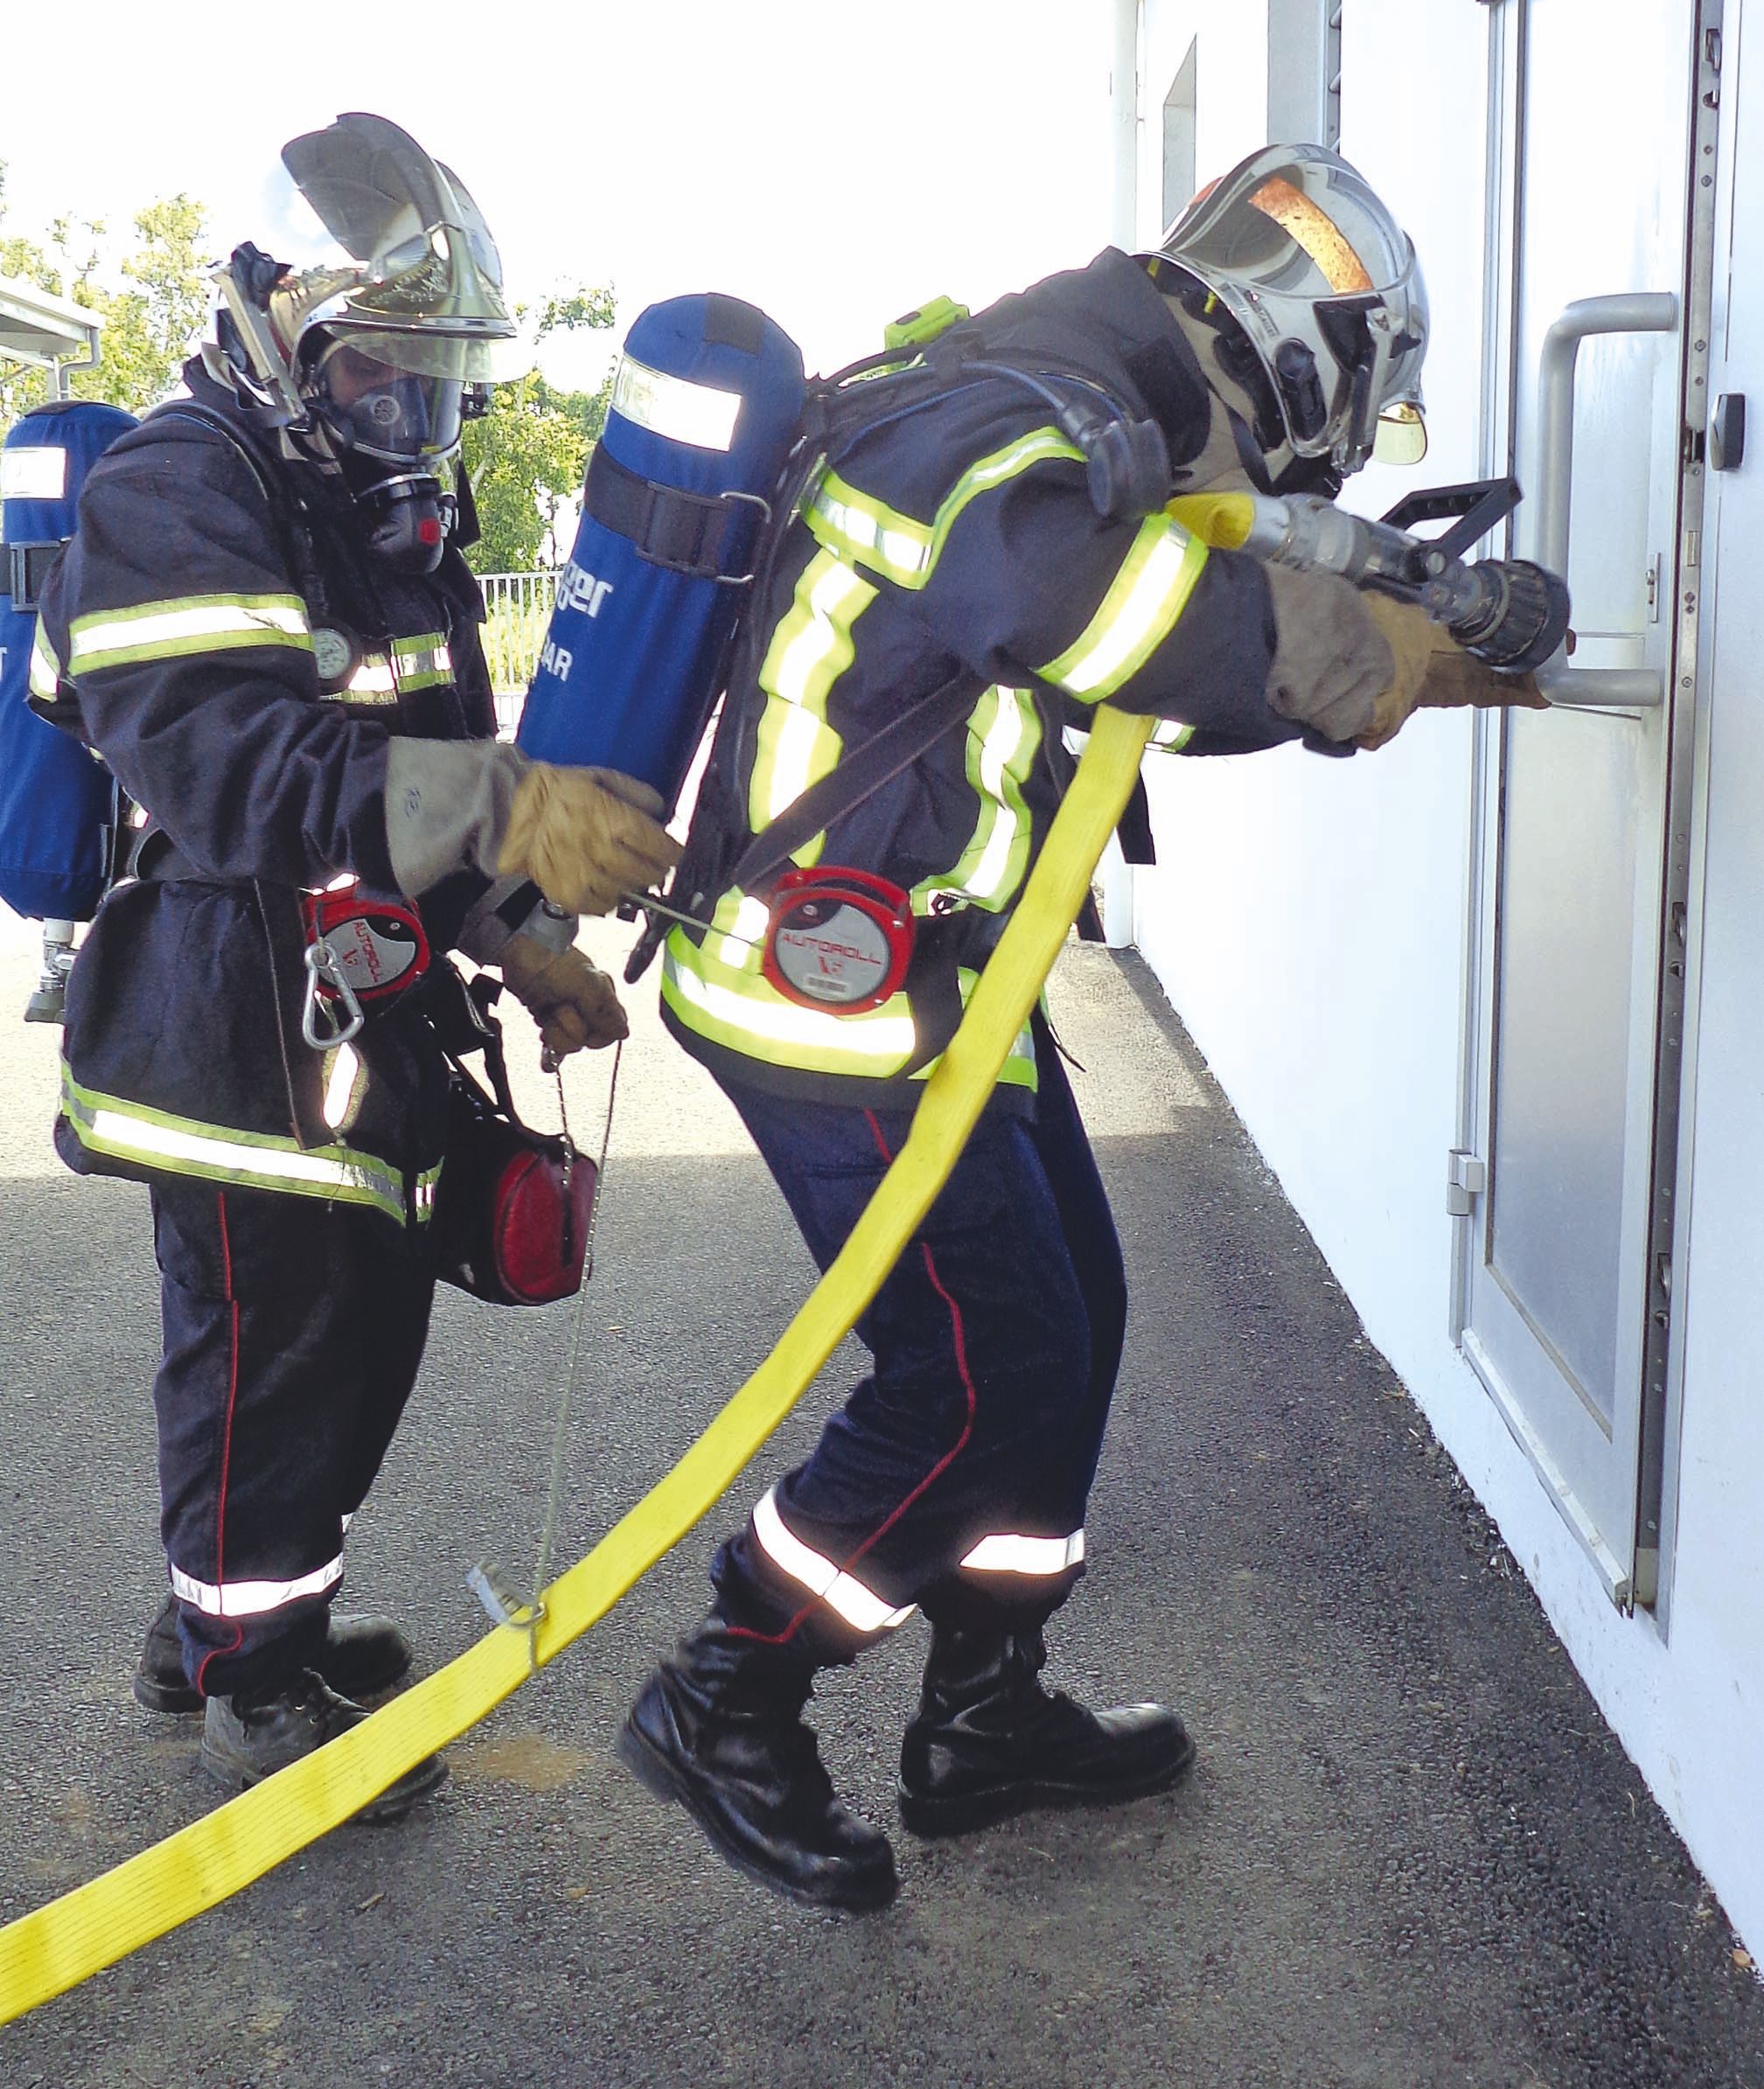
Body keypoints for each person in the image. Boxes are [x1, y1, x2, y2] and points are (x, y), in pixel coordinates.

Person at [617, 145, 1537, 1911]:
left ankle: (983, 1712)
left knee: (1076, 1322)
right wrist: (1379, 652)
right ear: (1303, 358)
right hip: (834, 996)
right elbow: (1096, 616)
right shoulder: (1009, 416)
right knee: (978, 1373)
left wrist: (1397, 625)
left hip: (945, 985)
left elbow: (1136, 673)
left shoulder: (1072, 403)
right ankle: (726, 1687)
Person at [31, 114, 679, 1819]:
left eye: (439, 380)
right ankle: (253, 1681)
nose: (421, 417)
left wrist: (524, 938)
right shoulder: (182, 484)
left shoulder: (378, 511)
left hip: (354, 996)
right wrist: (502, 801)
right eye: (392, 371)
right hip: (226, 1013)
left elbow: (434, 775)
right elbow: (223, 764)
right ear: (295, 336)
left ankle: (243, 1620)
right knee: (271, 1345)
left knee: (360, 1320)